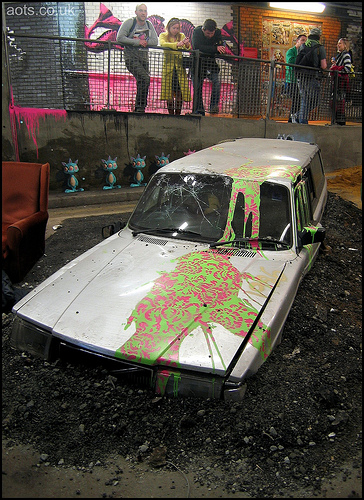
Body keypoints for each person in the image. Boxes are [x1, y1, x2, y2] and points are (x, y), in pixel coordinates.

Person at [116, 4, 158, 113]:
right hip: (131, 57)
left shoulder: (149, 25)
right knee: (145, 78)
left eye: (145, 11)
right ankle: (140, 108)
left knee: (142, 81)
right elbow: (120, 38)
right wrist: (137, 42)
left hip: (144, 58)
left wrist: (145, 42)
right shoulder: (130, 23)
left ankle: (138, 108)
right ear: (136, 12)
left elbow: (155, 41)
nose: (143, 13)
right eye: (141, 11)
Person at [191, 19, 226, 115]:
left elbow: (221, 47)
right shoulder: (197, 32)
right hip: (197, 63)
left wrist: (213, 49)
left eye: (212, 33)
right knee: (198, 87)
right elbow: (197, 46)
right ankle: (199, 110)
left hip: (210, 63)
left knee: (217, 82)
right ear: (203, 29)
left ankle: (214, 106)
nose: (210, 36)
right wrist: (214, 49)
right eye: (207, 33)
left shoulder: (217, 33)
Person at [159, 18, 192, 115]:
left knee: (179, 92)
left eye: (178, 28)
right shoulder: (163, 35)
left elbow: (188, 47)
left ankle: (178, 114)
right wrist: (177, 45)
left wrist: (186, 44)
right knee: (168, 92)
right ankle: (171, 114)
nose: (176, 30)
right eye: (174, 28)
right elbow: (163, 44)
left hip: (179, 68)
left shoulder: (181, 35)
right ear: (169, 27)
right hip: (168, 68)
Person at [295, 27, 327, 124]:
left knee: (305, 98)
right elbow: (324, 66)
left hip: (301, 76)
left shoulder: (303, 46)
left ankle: (302, 120)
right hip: (312, 77)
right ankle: (300, 117)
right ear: (319, 36)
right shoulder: (320, 48)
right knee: (315, 100)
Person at [285, 34, 307, 123]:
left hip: (300, 80)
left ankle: (295, 118)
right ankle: (291, 119)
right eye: (302, 40)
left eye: (305, 41)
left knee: (299, 101)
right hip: (292, 80)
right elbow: (290, 61)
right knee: (295, 100)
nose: (304, 42)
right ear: (297, 41)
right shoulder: (291, 51)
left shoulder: (303, 52)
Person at [330, 38, 352, 125]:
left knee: (339, 102)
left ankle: (340, 120)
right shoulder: (339, 55)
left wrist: (336, 69)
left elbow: (347, 68)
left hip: (341, 83)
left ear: (345, 45)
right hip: (337, 83)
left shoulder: (346, 55)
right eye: (338, 43)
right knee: (336, 101)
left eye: (340, 43)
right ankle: (337, 120)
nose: (338, 45)